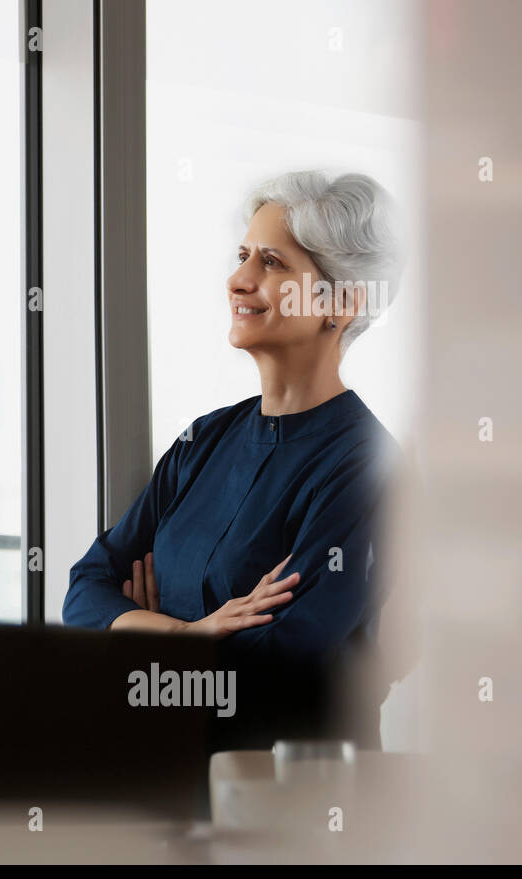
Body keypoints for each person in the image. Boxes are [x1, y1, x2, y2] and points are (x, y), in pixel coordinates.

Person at [63, 171, 406, 750]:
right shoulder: (204, 440)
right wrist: (189, 633)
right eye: (243, 254)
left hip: (295, 804)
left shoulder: (366, 466)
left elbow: (280, 666)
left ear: (341, 303)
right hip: (167, 781)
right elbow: (84, 589)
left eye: (272, 263)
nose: (238, 279)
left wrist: (137, 644)